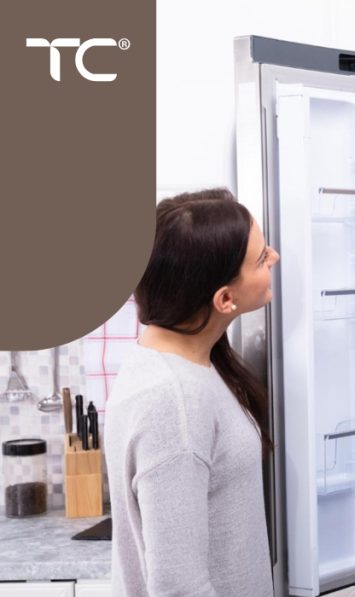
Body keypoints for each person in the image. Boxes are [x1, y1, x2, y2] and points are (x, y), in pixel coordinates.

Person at [104, 189, 279, 597]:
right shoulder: (173, 401)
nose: (274, 257)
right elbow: (179, 587)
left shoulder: (187, 361)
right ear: (224, 299)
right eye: (260, 258)